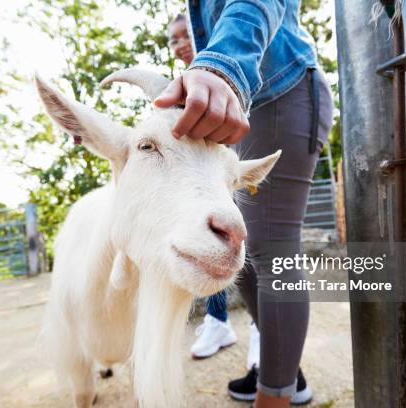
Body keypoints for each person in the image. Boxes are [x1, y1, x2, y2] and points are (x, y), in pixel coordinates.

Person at [156, 2, 333, 407]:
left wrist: (221, 67)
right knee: (248, 248)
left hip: (281, 90)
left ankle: (274, 397)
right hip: (247, 100)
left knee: (273, 250)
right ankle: (285, 371)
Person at [168, 13, 263, 363]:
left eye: (184, 35)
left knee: (249, 238)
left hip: (234, 169)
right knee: (208, 241)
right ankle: (218, 318)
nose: (180, 44)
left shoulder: (229, 71)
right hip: (201, 195)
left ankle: (260, 333)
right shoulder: (182, 90)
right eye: (173, 39)